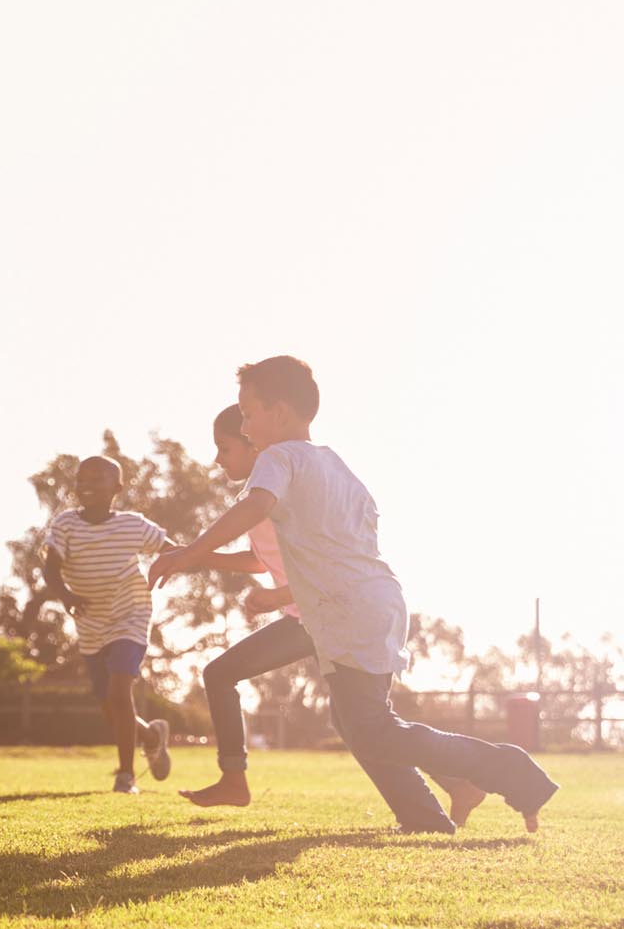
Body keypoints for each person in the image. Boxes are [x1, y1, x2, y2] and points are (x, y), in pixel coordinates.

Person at [149, 357, 556, 833]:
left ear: (278, 413)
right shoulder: (334, 464)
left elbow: (257, 505)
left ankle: (514, 774)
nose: (243, 425)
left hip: (347, 612)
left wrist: (190, 553)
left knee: (374, 728)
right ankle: (424, 818)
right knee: (356, 722)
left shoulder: (278, 458)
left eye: (246, 413)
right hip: (377, 602)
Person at [162, 406, 485, 823]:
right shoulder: (266, 492)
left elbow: (327, 564)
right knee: (358, 716)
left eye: (225, 447)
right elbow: (262, 561)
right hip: (314, 617)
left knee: (230, 677)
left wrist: (272, 594)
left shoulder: (278, 487)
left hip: (325, 615)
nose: (218, 459)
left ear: (254, 445)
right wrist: (198, 558)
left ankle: (235, 779)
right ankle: (455, 784)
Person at [41, 455, 175, 793]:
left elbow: (171, 550)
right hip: (90, 621)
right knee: (106, 701)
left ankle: (125, 775)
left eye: (97, 479)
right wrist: (67, 596)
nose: (86, 485)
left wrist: (196, 558)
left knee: (119, 692)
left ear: (117, 487)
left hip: (130, 613)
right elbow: (50, 570)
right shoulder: (66, 524)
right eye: (81, 479)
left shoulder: (132, 524)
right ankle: (150, 735)